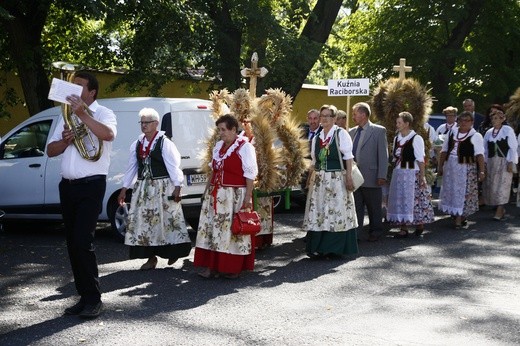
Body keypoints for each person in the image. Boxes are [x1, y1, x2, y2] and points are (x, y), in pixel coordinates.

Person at [47, 71, 117, 318]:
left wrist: (82, 114)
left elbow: (108, 135)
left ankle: (94, 299)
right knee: (72, 244)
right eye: (72, 85)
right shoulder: (64, 113)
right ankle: (83, 296)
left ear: (91, 92)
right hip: (67, 186)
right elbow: (50, 151)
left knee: (82, 242)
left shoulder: (104, 113)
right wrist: (65, 141)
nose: (73, 90)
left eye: (78, 86)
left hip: (91, 185)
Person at [117, 108, 191, 270]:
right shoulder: (137, 143)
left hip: (162, 187)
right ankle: (151, 258)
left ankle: (173, 252)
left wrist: (178, 186)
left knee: (167, 221)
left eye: (147, 122)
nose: (143, 125)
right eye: (142, 122)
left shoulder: (165, 143)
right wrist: (124, 188)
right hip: (143, 189)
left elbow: (173, 166)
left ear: (156, 124)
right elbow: (132, 167)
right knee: (145, 224)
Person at [194, 114, 258, 279]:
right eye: (219, 129)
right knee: (211, 230)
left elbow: (250, 174)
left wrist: (248, 197)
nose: (220, 133)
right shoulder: (218, 146)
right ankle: (212, 266)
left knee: (231, 231)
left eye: (223, 129)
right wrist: (206, 191)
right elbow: (213, 171)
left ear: (234, 130)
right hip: (215, 196)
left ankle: (231, 267)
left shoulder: (245, 147)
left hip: (233, 196)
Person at [302, 104, 358, 258]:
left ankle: (334, 248)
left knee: (335, 212)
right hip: (320, 180)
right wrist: (309, 179)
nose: (324, 119)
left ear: (334, 119)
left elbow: (348, 157)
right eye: (322, 116)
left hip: (336, 179)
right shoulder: (317, 137)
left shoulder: (341, 134)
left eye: (328, 116)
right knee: (319, 212)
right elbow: (314, 161)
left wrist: (348, 177)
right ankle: (318, 247)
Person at [387, 112, 434, 238]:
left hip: (412, 172)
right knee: (400, 198)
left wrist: (422, 176)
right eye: (397, 122)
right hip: (399, 172)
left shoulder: (416, 138)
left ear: (407, 123)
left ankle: (419, 224)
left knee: (414, 199)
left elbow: (420, 159)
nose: (397, 125)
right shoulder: (397, 137)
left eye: (399, 123)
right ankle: (403, 227)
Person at [438, 111, 485, 229]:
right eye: (461, 120)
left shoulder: (476, 135)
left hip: (466, 168)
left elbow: (479, 155)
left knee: (463, 192)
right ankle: (458, 214)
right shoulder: (452, 132)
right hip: (451, 167)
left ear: (472, 122)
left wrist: (482, 171)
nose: (463, 123)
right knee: (451, 190)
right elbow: (444, 150)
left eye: (467, 120)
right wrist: (440, 166)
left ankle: (459, 217)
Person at [349, 102, 389, 242]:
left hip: (372, 176)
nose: (353, 116)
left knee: (374, 208)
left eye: (355, 114)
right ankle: (356, 233)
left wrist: (382, 175)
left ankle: (376, 231)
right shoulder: (352, 132)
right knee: (356, 207)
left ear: (363, 114)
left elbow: (383, 155)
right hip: (355, 177)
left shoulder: (378, 131)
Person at [482, 107, 518, 220]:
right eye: (493, 118)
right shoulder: (488, 133)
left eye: (497, 118)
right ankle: (500, 209)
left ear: (502, 119)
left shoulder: (507, 130)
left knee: (503, 186)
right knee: (493, 186)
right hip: (493, 162)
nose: (494, 120)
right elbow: (485, 150)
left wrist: (511, 162)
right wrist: (485, 164)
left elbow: (513, 147)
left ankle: (500, 209)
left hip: (504, 161)